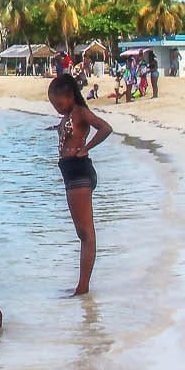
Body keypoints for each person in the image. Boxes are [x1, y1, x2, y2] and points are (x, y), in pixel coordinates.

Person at [48, 71, 111, 297]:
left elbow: (106, 128)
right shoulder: (68, 116)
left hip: (79, 173)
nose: (56, 107)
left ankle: (83, 286)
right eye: (53, 104)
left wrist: (86, 148)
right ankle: (82, 285)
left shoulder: (80, 112)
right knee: (82, 233)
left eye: (58, 102)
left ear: (70, 96)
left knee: (86, 234)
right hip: (72, 175)